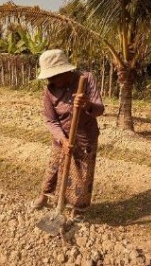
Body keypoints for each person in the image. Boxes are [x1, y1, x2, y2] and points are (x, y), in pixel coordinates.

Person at [32, 49, 105, 216]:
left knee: (82, 175)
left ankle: (77, 209)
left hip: (86, 138)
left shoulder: (85, 80)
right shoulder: (49, 91)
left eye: (53, 76)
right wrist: (63, 140)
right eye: (48, 77)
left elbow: (100, 110)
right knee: (54, 169)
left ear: (65, 71)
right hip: (62, 137)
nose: (50, 80)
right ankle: (45, 196)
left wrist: (87, 104)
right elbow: (51, 120)